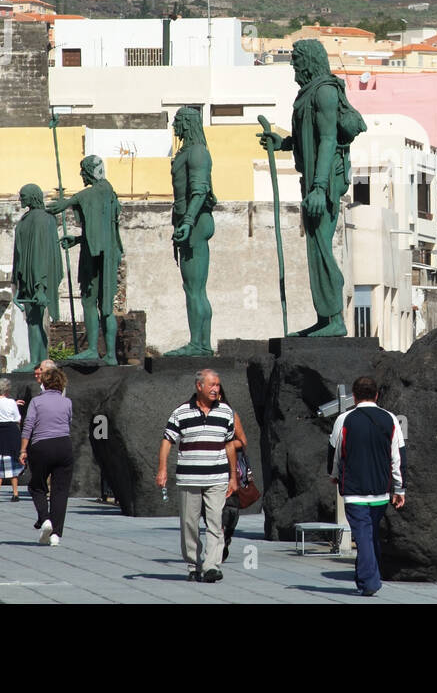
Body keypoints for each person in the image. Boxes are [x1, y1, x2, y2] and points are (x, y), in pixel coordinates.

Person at [255, 38, 365, 336]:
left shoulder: (325, 93)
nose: (293, 66)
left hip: (325, 182)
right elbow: (310, 138)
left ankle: (336, 320)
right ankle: (325, 318)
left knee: (321, 247)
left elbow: (328, 139)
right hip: (313, 180)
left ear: (310, 60)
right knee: (315, 247)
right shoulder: (307, 95)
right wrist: (283, 144)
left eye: (297, 60)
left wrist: (318, 188)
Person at [327, 376, 406, 597]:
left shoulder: (344, 419)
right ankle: (365, 577)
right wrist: (399, 489)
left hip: (354, 490)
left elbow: (334, 451)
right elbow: (398, 457)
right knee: (369, 534)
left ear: (354, 396)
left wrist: (334, 475)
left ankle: (370, 581)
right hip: (381, 489)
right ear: (377, 395)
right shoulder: (390, 418)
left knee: (363, 535)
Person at [156, 369, 237, 582]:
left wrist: (233, 477)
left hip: (217, 477)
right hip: (189, 477)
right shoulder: (181, 412)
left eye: (218, 385)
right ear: (199, 386)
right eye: (211, 385)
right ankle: (193, 564)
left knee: (215, 522)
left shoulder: (226, 412)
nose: (215, 389)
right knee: (189, 524)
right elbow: (167, 440)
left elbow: (229, 444)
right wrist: (162, 468)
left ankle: (211, 566)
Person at [47, 156, 123, 366]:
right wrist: (78, 239)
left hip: (98, 255)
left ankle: (92, 349)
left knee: (92, 301)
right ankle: (109, 355)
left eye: (82, 171)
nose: (81, 175)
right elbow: (99, 229)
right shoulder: (108, 194)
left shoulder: (100, 191)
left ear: (89, 171)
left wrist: (65, 203)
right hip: (102, 251)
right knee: (104, 304)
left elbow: (83, 198)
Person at [166, 107, 216, 356]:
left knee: (193, 288)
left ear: (186, 123)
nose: (174, 126)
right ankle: (201, 343)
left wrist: (186, 222)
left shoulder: (196, 152)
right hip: (191, 221)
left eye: (176, 121)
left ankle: (198, 343)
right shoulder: (188, 151)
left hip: (194, 222)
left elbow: (199, 190)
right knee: (195, 287)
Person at [20, 360, 73, 546]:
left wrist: (23, 449)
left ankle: (45, 519)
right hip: (64, 445)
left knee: (37, 486)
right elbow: (68, 422)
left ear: (45, 382)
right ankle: (56, 534)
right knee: (60, 491)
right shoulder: (67, 402)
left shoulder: (36, 401)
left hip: (42, 446)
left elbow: (28, 426)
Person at [12, 184, 64, 369]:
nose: (21, 199)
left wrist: (40, 286)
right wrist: (17, 285)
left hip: (37, 278)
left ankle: (37, 362)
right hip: (26, 277)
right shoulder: (27, 219)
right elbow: (18, 253)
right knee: (32, 320)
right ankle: (41, 361)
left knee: (34, 320)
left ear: (33, 197)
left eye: (23, 196)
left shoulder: (41, 219)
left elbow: (41, 252)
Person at [216, 382, 253, 562]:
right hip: (209, 471)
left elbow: (242, 441)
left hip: (230, 469)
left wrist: (224, 445)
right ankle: (217, 542)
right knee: (214, 511)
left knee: (230, 510)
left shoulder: (230, 414)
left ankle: (226, 537)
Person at [0, 377, 23, 503]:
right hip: (11, 431)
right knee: (12, 461)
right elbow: (17, 418)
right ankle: (15, 493)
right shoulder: (11, 402)